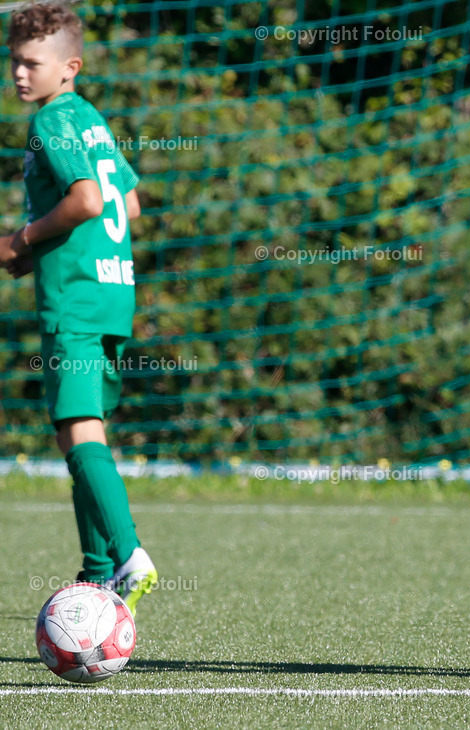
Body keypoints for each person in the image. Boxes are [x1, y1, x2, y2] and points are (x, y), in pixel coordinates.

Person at [0, 2, 157, 615]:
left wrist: (24, 239)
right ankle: (95, 577)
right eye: (13, 61)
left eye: (31, 63)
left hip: (76, 298)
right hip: (114, 291)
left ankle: (127, 556)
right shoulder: (91, 118)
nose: (19, 73)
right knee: (84, 431)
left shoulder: (51, 121)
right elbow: (129, 204)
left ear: (70, 67)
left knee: (76, 428)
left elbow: (88, 201)